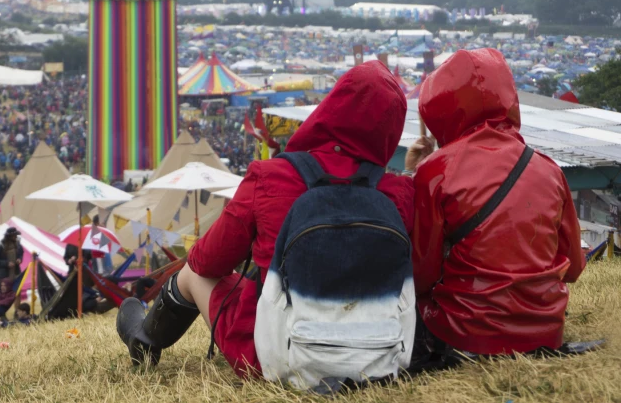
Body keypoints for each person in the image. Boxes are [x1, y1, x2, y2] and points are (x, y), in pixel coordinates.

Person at [117, 62, 414, 375]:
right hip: (380, 357)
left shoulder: (271, 177)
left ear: (331, 107)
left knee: (193, 272)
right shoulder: (400, 193)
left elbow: (208, 262)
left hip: (274, 356)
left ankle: (145, 337)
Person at [405, 48, 585, 358]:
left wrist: (415, 173)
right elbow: (573, 268)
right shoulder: (549, 169)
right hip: (545, 331)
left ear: (441, 108)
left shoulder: (435, 172)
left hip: (463, 333)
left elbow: (421, 274)